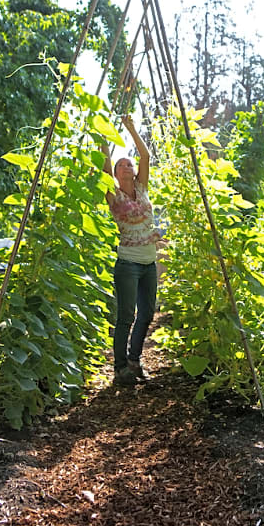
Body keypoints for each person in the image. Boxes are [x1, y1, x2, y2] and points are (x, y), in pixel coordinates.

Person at [101, 115, 158, 387]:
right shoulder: (113, 194)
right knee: (126, 315)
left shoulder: (142, 188)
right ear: (115, 172)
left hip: (149, 261)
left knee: (147, 313)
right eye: (121, 164)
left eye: (130, 164)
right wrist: (104, 139)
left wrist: (131, 128)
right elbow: (104, 166)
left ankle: (134, 361)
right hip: (128, 263)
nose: (128, 166)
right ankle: (120, 367)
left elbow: (145, 157)